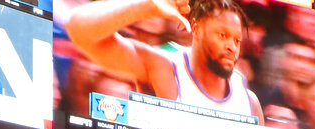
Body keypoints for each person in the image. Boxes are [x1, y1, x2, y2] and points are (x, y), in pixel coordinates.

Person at [66, 0, 265, 122]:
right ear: (196, 29)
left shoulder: (249, 103)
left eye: (237, 40)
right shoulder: (165, 70)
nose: (232, 46)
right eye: (222, 35)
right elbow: (79, 29)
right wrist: (147, 7)